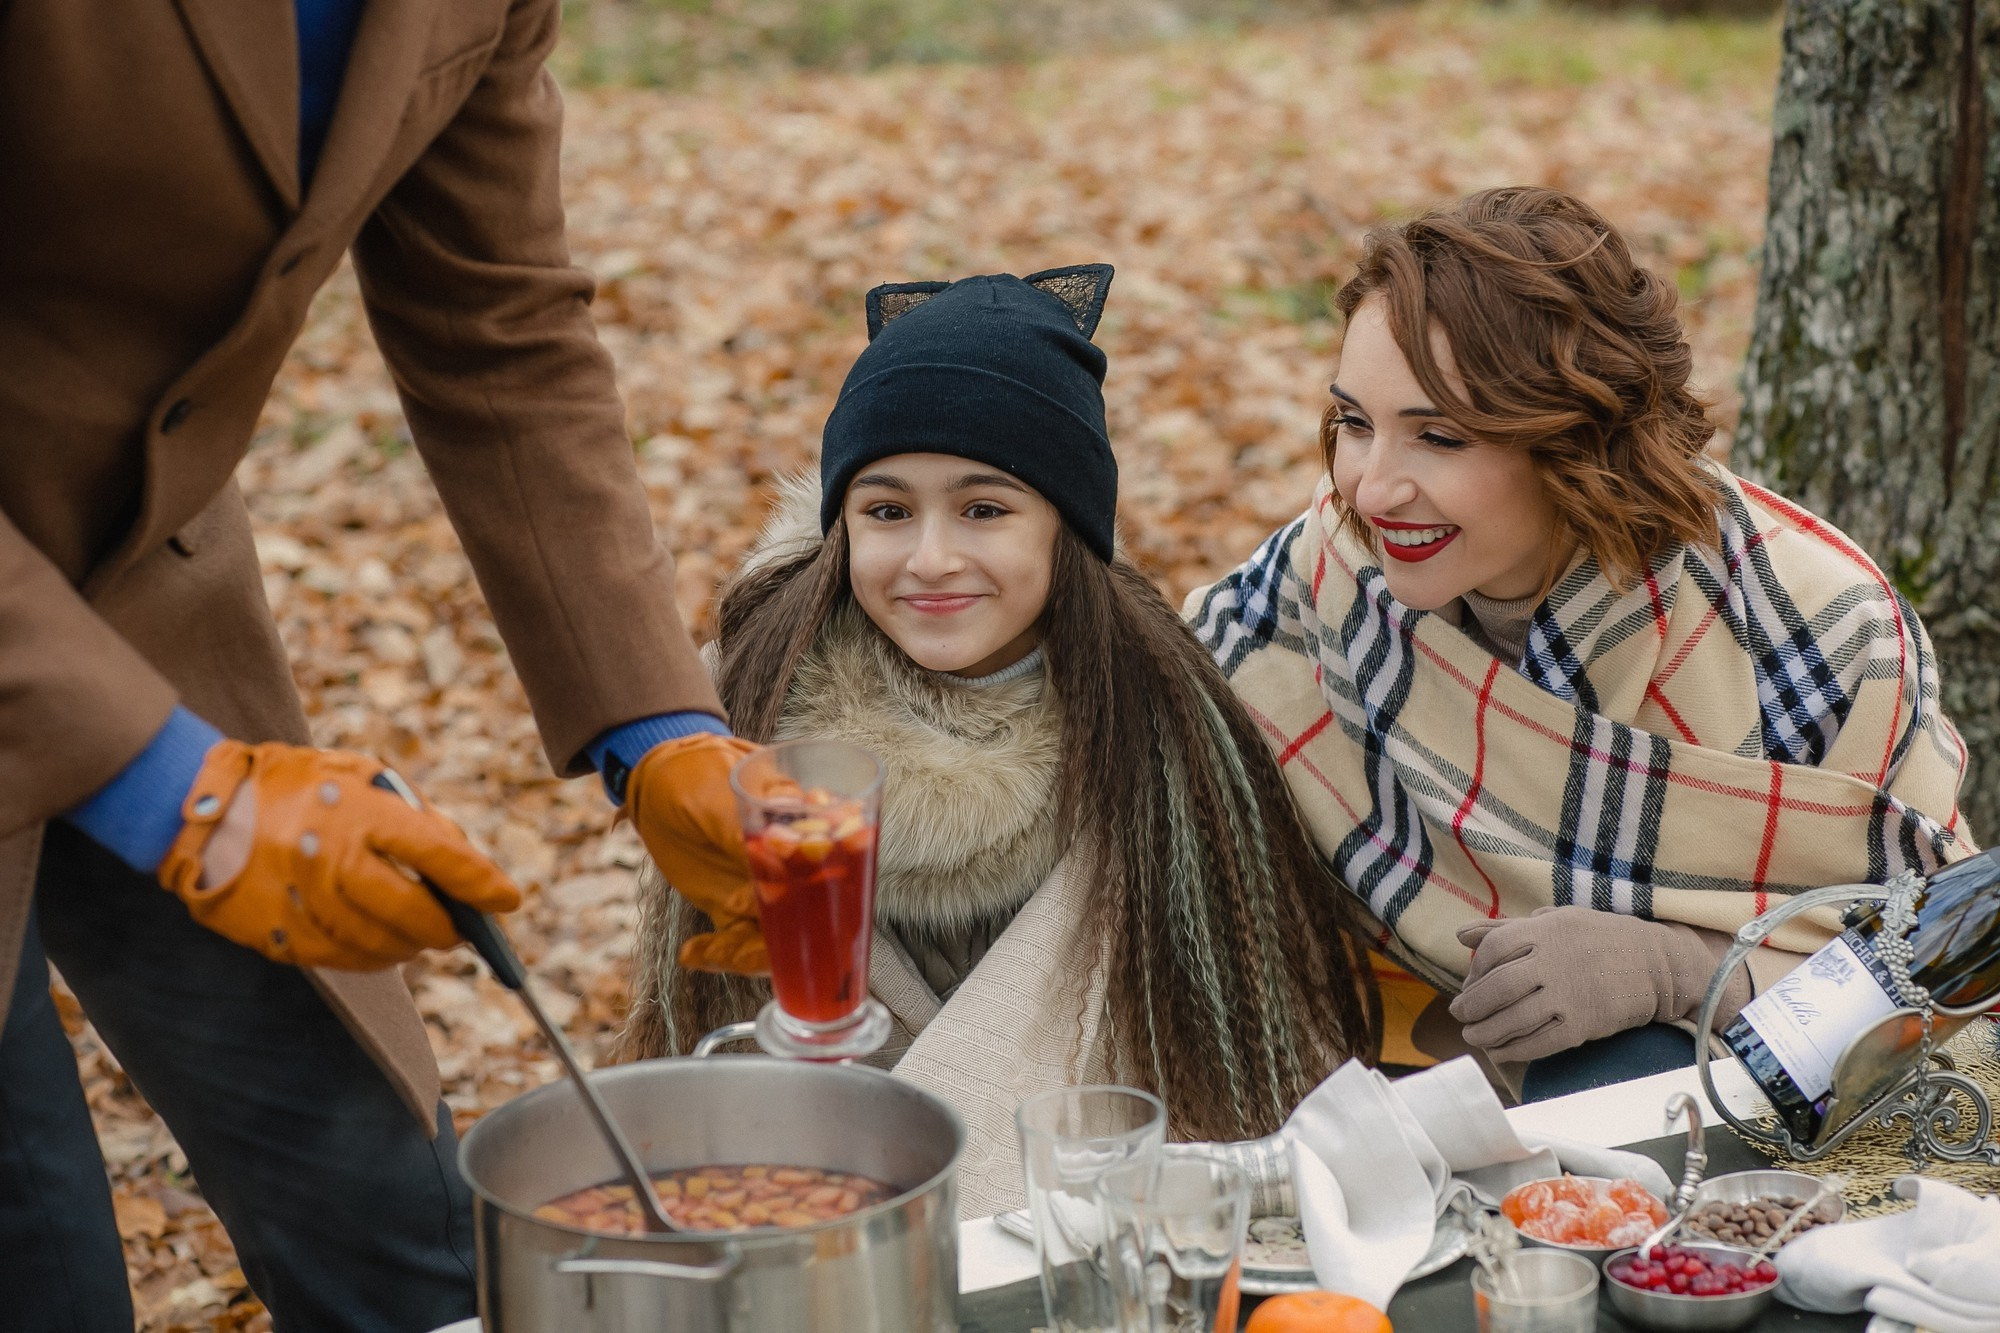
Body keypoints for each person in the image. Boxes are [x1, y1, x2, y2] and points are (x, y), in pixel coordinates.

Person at [2, 3, 750, 1328]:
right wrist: (183, 791)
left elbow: (499, 322)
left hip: (144, 602)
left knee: (398, 1229)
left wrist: (659, 731)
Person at [1186, 186, 1974, 1102]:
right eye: (1356, 424)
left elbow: (1937, 962)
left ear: (1575, 439)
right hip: (1383, 1054)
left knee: (1610, 1071)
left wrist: (1678, 968)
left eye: (1438, 436)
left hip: (1707, 1102)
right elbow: (1165, 732)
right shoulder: (1330, 570)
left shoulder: (1815, 624)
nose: (1370, 489)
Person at [621, 265, 1379, 1213]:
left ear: (1067, 529)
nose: (931, 557)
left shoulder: (1170, 727)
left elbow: (1254, 1053)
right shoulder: (747, 716)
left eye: (984, 509)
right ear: (841, 526)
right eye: (888, 511)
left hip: (1085, 1206)